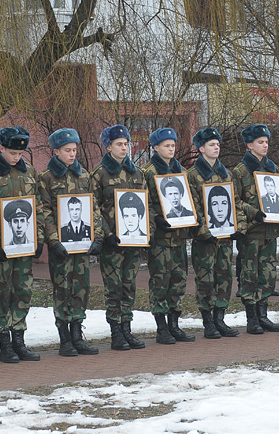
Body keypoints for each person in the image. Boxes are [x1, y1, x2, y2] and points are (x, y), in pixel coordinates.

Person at [0, 126, 44, 362]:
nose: (17, 158)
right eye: (12, 153)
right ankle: (5, 343)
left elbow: (38, 208)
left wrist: (39, 238)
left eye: (20, 153)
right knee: (2, 292)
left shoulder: (29, 173)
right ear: (1, 148)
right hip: (0, 247)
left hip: (24, 245)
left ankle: (19, 340)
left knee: (23, 291)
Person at [38, 127, 103, 356]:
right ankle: (64, 338)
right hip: (61, 246)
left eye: (74, 150)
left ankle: (77, 335)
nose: (72, 154)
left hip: (82, 245)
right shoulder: (46, 178)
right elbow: (44, 212)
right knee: (62, 289)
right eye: (67, 150)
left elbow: (93, 208)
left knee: (81, 289)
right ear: (56, 152)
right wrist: (54, 241)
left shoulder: (83, 176)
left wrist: (98, 236)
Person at [93, 124, 149, 350]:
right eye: (119, 144)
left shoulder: (137, 173)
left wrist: (147, 230)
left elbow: (146, 205)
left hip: (133, 241)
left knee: (129, 286)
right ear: (108, 147)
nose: (124, 148)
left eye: (126, 144)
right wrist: (105, 234)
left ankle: (127, 327)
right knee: (113, 288)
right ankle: (116, 331)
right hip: (112, 243)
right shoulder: (99, 174)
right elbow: (94, 208)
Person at [142, 127, 196, 344]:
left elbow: (188, 199)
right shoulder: (148, 172)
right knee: (160, 282)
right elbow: (143, 203)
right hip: (161, 239)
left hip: (179, 237)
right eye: (166, 145)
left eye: (173, 145)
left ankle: (174, 324)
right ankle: (161, 327)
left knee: (178, 281)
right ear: (156, 147)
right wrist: (156, 220)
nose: (171, 149)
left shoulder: (181, 172)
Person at [231, 123, 279, 334]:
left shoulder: (272, 169)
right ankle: (251, 317)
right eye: (260, 142)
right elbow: (236, 201)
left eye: (266, 142)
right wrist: (254, 213)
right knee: (249, 274)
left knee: (267, 273)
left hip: (270, 231)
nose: (265, 146)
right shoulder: (240, 171)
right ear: (249, 145)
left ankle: (263, 315)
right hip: (251, 231)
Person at [187, 126, 240, 338]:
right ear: (201, 148)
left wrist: (237, 227)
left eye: (218, 144)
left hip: (225, 237)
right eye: (211, 144)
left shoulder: (225, 173)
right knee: (205, 279)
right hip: (206, 239)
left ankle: (220, 318)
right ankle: (207, 320)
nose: (216, 147)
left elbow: (234, 203)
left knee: (225, 277)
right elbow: (193, 207)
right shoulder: (192, 175)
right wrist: (203, 231)